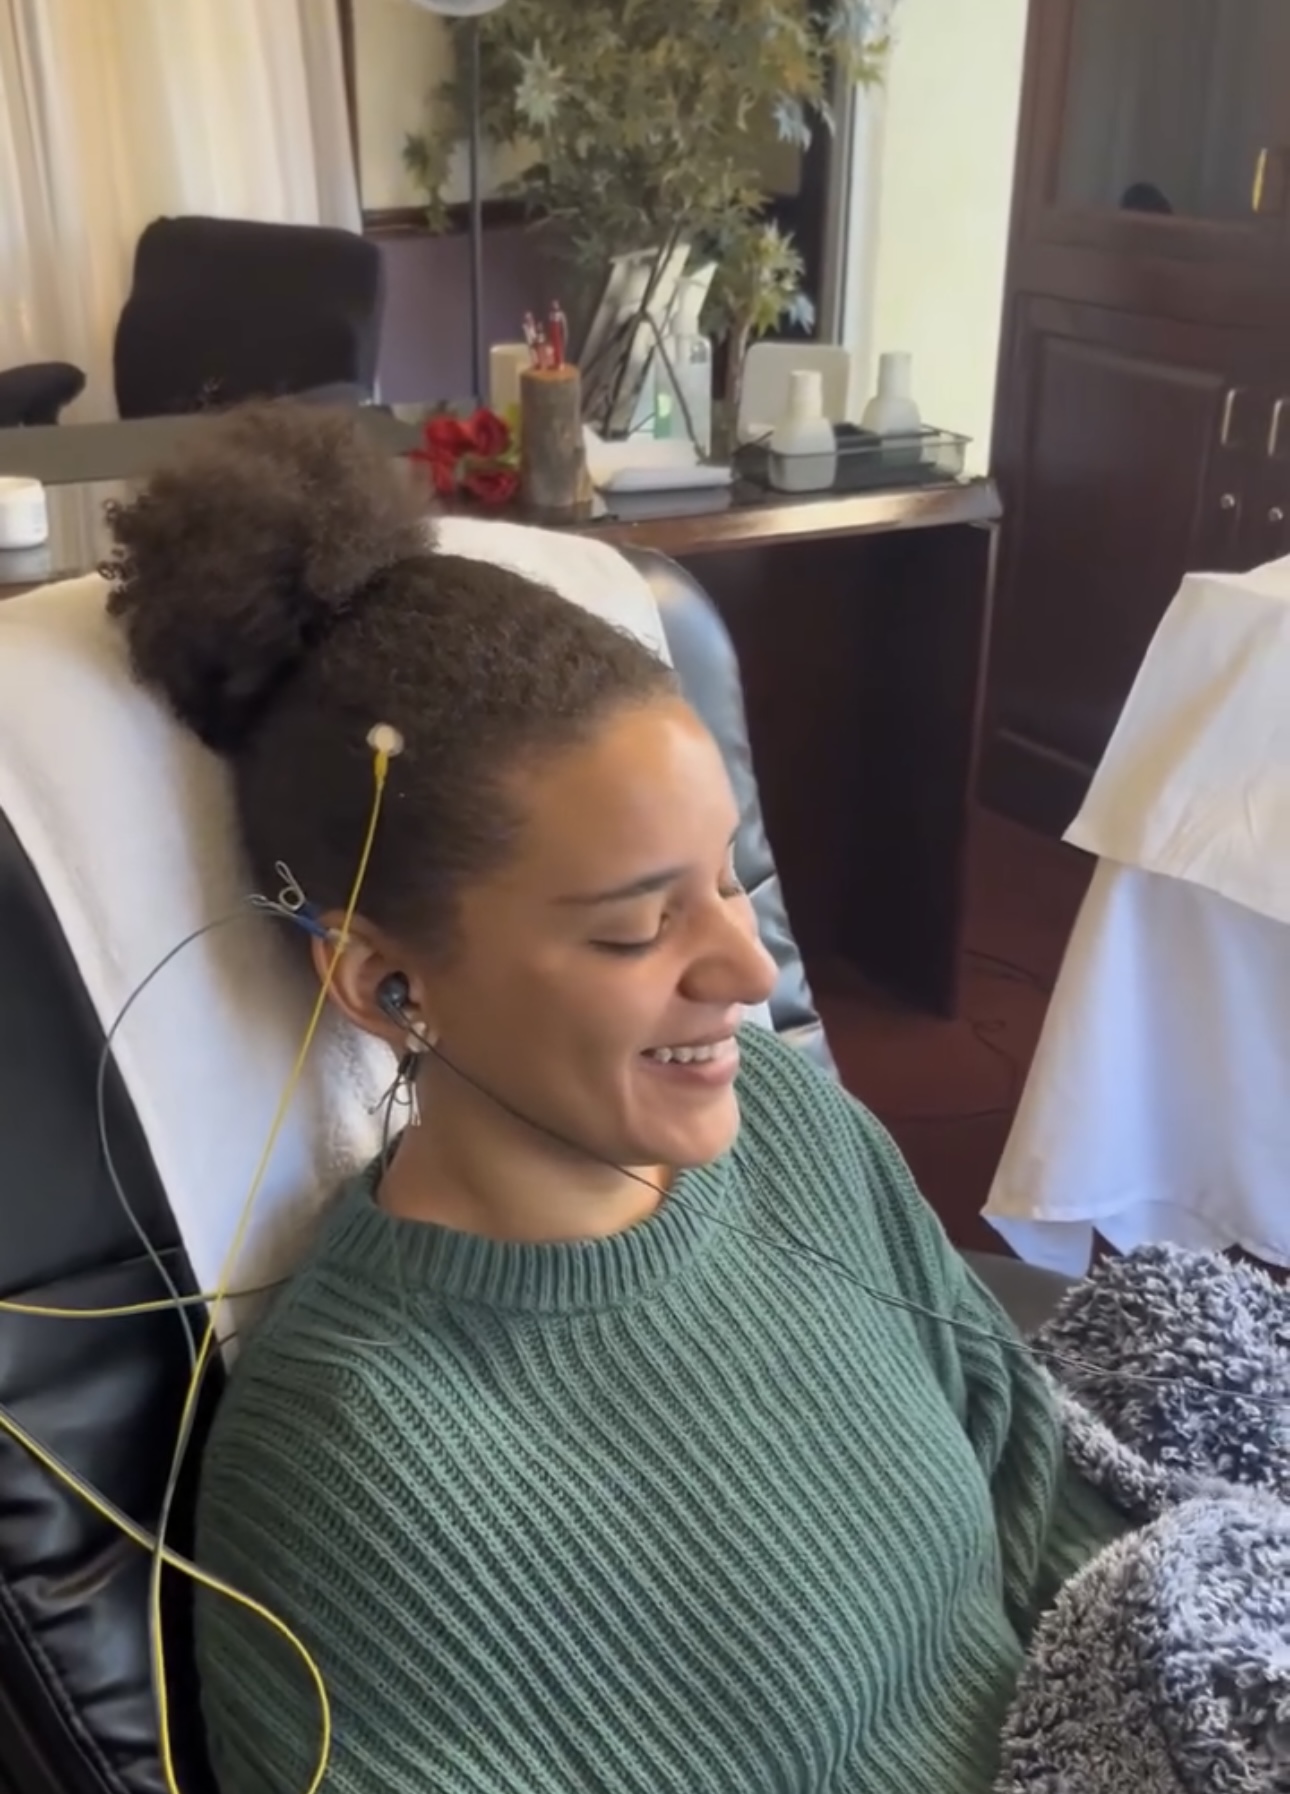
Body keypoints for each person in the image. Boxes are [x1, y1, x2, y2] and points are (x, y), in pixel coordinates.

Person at [106, 404, 1124, 1794]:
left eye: (723, 874)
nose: (749, 962)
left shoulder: (789, 1119)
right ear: (385, 983)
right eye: (635, 930)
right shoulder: (359, 1469)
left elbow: (1037, 1502)